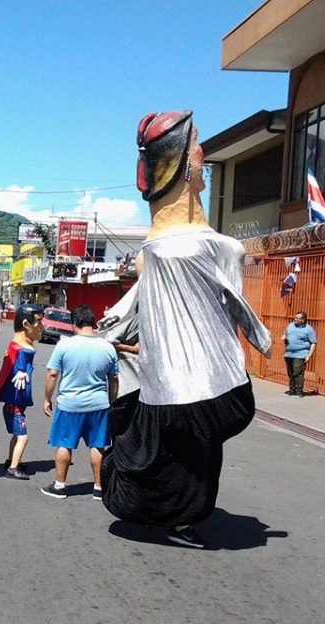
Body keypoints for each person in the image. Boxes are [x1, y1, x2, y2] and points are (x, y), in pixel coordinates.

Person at [100, 111, 271, 548]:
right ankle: (174, 517)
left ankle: (170, 513)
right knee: (187, 453)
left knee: (182, 451)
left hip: (181, 381)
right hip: (189, 382)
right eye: (197, 144)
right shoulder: (193, 247)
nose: (204, 154)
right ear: (178, 160)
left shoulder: (166, 249)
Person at [41, 305, 118, 500]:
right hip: (99, 405)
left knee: (64, 444)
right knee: (97, 446)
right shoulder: (108, 347)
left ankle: (59, 486)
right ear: (93, 323)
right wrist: (112, 402)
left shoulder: (64, 345)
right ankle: (99, 487)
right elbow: (113, 380)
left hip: (70, 404)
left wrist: (47, 399)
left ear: (74, 324)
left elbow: (52, 374)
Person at [0, 303, 44, 480]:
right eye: (39, 322)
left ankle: (12, 460)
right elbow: (17, 362)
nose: (42, 326)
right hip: (15, 405)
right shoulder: (20, 348)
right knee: (23, 437)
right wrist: (20, 371)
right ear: (26, 324)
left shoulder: (16, 345)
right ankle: (12, 467)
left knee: (17, 436)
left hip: (14, 404)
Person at [282, 311, 316, 398]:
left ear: (303, 319)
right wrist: (284, 337)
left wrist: (309, 355)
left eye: (297, 318)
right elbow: (285, 333)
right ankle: (291, 390)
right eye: (295, 317)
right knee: (290, 373)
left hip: (300, 354)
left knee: (298, 373)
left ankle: (299, 391)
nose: (295, 319)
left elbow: (313, 343)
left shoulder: (309, 329)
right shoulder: (291, 325)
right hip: (289, 353)